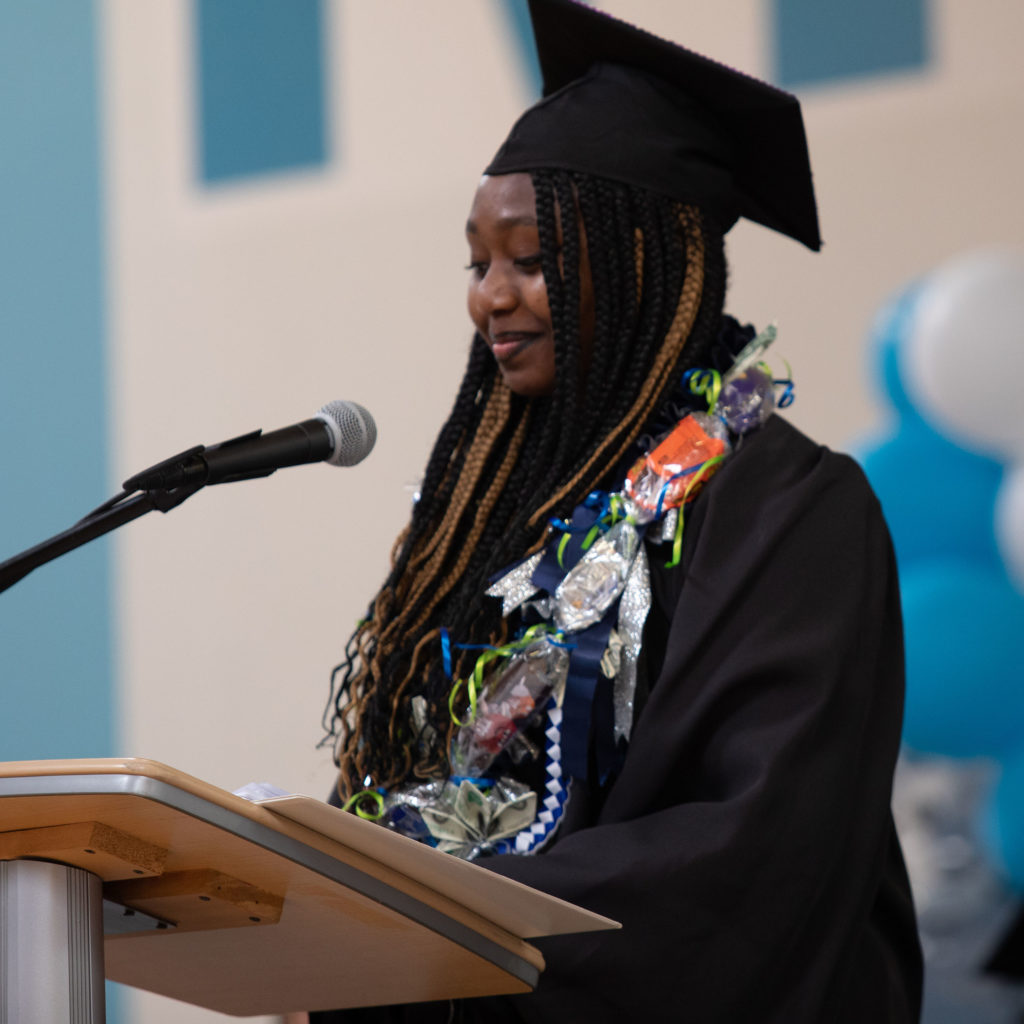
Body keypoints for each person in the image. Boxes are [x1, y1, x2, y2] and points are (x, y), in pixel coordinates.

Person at [314, 1, 923, 1020]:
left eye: (531, 259)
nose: (489, 298)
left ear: (644, 258)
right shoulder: (489, 524)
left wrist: (441, 921)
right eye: (477, 263)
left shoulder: (789, 509)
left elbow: (761, 847)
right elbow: (421, 778)